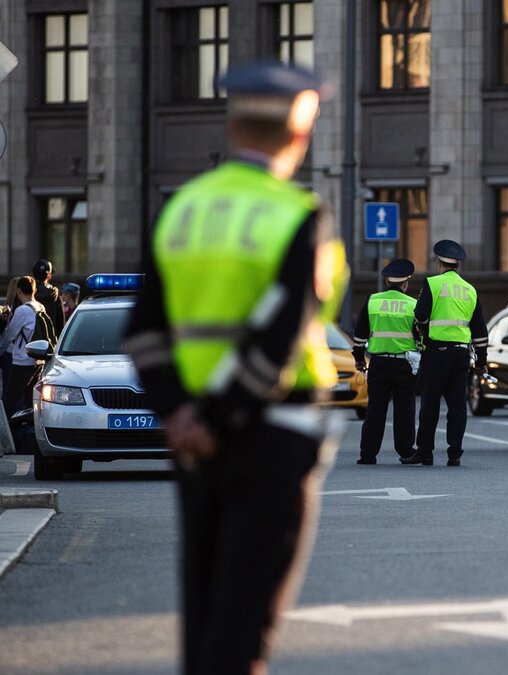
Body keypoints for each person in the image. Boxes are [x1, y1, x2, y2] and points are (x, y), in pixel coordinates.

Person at [123, 61, 345, 675]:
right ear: (299, 137)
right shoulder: (298, 213)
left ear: (231, 127)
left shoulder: (182, 210)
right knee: (245, 623)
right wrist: (222, 416)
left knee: (203, 608)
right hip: (271, 434)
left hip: (193, 444)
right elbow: (278, 338)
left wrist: (179, 415)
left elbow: (143, 330)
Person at [407, 239, 488, 467]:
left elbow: (421, 317)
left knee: (430, 403)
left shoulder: (432, 284)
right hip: (462, 354)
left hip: (437, 352)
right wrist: (482, 361)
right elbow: (480, 330)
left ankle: (425, 452)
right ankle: (455, 453)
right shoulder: (470, 289)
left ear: (439, 263)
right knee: (457, 405)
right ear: (458, 266)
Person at [352, 259, 420, 465]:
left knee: (375, 409)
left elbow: (360, 335)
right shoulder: (413, 304)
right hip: (404, 365)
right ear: (406, 283)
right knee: (405, 409)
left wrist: (358, 360)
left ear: (388, 282)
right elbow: (419, 337)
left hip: (379, 364)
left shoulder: (373, 301)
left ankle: (368, 454)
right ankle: (406, 451)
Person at [2, 276, 45, 414]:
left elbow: (10, 335)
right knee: (29, 401)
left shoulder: (22, 310)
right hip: (37, 360)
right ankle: (27, 432)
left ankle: (9, 433)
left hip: (22, 361)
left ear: (19, 291)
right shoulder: (40, 306)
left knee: (10, 400)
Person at [32, 259, 65, 335]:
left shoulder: (27, 294)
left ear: (33, 275)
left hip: (30, 342)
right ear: (49, 276)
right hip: (50, 341)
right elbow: (60, 325)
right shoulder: (55, 296)